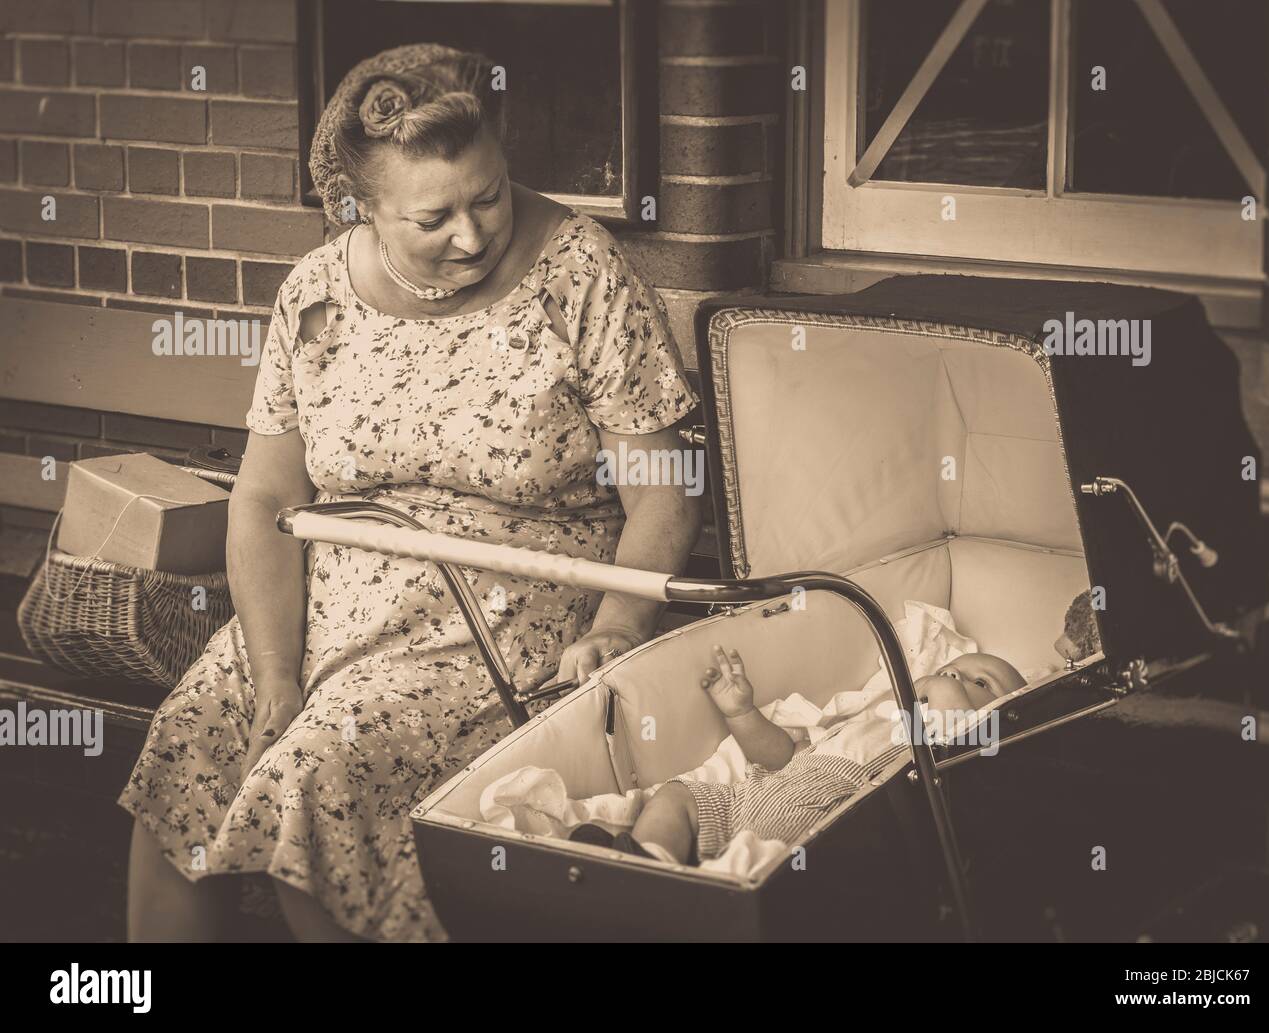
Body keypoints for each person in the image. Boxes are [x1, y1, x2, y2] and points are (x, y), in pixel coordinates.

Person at [119, 42, 702, 942]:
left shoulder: (580, 270)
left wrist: (617, 629)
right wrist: (276, 670)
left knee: (322, 763)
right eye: (434, 218)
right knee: (194, 731)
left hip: (508, 605)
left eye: (490, 196)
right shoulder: (315, 291)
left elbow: (663, 489)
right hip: (329, 604)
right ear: (364, 208)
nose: (471, 235)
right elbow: (264, 495)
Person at [574, 644, 1025, 864]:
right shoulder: (864, 718)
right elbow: (781, 755)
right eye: (953, 667)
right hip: (755, 794)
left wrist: (942, 686)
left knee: (770, 849)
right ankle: (651, 860)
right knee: (678, 795)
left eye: (980, 684)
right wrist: (742, 712)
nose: (952, 673)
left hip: (819, 805)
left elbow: (959, 721)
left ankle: (703, 890)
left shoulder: (939, 744)